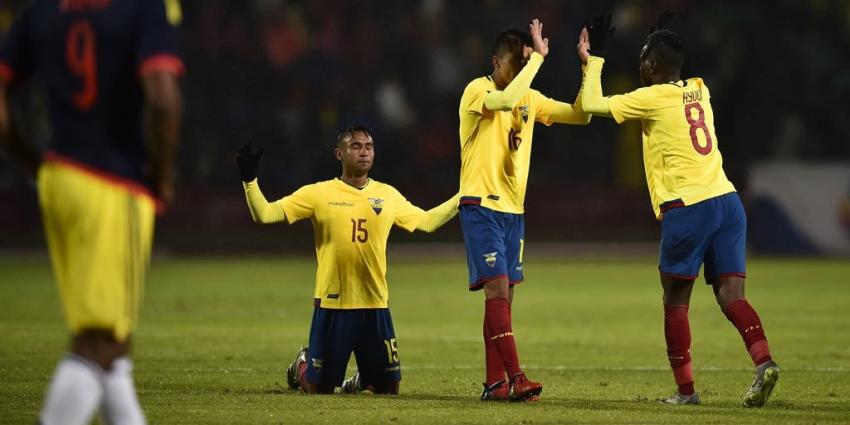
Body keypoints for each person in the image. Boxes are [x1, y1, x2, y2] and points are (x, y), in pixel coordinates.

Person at [579, 12, 779, 407]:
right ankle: (764, 363)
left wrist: (595, 57)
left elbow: (590, 104)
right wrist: (659, 43)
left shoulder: (650, 98)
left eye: (642, 60)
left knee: (675, 301)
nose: (638, 66)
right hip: (727, 200)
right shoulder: (700, 89)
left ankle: (686, 392)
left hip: (689, 207)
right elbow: (670, 74)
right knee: (731, 294)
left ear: (652, 66)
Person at [0, 0, 184, 424]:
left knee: (114, 344)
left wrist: (31, 161)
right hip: (112, 182)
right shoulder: (144, 7)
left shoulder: (41, 10)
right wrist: (163, 176)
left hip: (60, 178)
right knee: (98, 342)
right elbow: (163, 97)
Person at [237, 125, 459, 395]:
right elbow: (265, 214)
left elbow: (426, 222)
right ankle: (302, 363)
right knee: (319, 388)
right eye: (355, 146)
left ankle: (359, 380)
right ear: (339, 154)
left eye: (369, 147)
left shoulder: (387, 195)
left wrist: (462, 198)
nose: (364, 152)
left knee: (388, 389)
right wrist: (250, 182)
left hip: (375, 303)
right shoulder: (318, 193)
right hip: (334, 303)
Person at [458, 19, 592, 402]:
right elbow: (501, 101)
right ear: (495, 62)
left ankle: (494, 383)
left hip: (513, 212)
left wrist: (587, 66)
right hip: (481, 203)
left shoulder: (529, 98)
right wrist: (537, 62)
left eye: (524, 64)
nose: (520, 72)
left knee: (503, 300)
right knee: (498, 291)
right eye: (515, 64)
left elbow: (579, 114)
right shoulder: (477, 90)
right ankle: (515, 378)